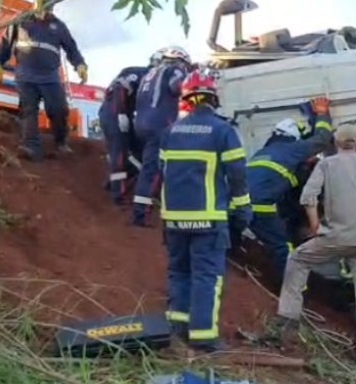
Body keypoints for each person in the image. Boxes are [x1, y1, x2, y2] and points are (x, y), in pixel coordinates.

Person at [269, 124, 356, 363]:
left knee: (298, 259)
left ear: (335, 143)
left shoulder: (327, 164)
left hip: (336, 237)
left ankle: (287, 317)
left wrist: (316, 226)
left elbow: (308, 197)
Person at [159, 70, 252, 352]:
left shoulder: (171, 131)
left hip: (173, 220)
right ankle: (203, 336)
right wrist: (242, 209)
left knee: (179, 272)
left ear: (186, 100)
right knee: (206, 276)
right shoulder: (222, 131)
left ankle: (176, 329)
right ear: (213, 98)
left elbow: (162, 172)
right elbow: (237, 175)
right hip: (208, 218)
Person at [242, 98, 333, 284]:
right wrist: (322, 114)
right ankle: (293, 293)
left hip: (236, 205)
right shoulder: (293, 149)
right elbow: (322, 138)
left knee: (264, 239)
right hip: (260, 207)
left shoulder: (262, 153)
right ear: (293, 137)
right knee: (282, 247)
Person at [0, 0, 87, 161]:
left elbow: (72, 49)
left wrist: (80, 65)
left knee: (59, 109)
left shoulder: (59, 27)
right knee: (29, 110)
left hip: (50, 77)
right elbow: (5, 44)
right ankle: (31, 146)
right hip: (26, 75)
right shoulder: (19, 21)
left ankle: (61, 142)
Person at [130, 45, 192, 227]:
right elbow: (178, 87)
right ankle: (145, 213)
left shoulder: (150, 73)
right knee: (163, 167)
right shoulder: (174, 70)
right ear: (180, 60)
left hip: (141, 124)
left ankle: (140, 209)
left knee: (149, 167)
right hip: (160, 124)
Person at [98, 52, 161, 204]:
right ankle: (118, 194)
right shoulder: (140, 73)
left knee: (141, 152)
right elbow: (120, 89)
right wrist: (120, 113)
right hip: (113, 113)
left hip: (128, 115)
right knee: (119, 152)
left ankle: (114, 183)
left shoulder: (154, 81)